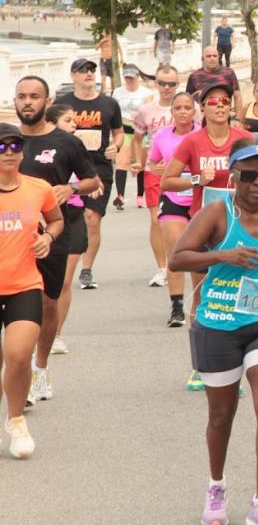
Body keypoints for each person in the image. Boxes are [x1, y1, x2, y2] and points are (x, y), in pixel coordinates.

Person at [169, 138, 258, 525]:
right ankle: (216, 486)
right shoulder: (216, 213)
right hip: (218, 325)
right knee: (220, 415)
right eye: (249, 175)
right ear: (234, 176)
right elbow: (176, 259)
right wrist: (221, 256)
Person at [161, 82, 254, 390]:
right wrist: (198, 178)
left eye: (224, 101)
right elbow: (167, 182)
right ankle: (200, 366)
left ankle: (234, 367)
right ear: (204, 107)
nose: (219, 105)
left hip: (239, 226)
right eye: (213, 101)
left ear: (230, 107)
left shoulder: (244, 139)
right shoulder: (192, 141)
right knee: (202, 296)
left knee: (237, 297)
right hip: (203, 227)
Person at [15, 78, 99, 393]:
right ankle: (18, 368)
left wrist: (70, 187)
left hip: (52, 232)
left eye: (34, 97)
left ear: (47, 101)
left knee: (48, 303)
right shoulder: (5, 138)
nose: (27, 102)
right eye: (22, 96)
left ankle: (40, 368)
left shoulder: (66, 142)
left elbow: (91, 180)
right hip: (10, 235)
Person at [0, 122, 64, 458]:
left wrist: (48, 237)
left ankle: (15, 421)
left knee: (18, 356)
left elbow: (55, 219)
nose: (9, 152)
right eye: (2, 147)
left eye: (15, 146)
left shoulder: (39, 187)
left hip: (24, 283)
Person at [56, 58, 124, 290]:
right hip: (68, 168)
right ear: (73, 75)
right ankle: (64, 262)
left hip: (99, 167)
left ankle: (86, 269)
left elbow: (119, 133)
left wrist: (117, 146)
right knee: (67, 218)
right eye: (83, 70)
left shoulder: (109, 104)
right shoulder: (63, 103)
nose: (88, 74)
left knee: (92, 219)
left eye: (92, 70)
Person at [146, 92, 199, 328]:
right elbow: (153, 162)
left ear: (194, 111)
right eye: (178, 107)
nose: (183, 111)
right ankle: (177, 306)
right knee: (176, 251)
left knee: (199, 253)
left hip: (200, 197)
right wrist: (159, 170)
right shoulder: (162, 136)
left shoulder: (202, 134)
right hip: (173, 197)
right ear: (173, 112)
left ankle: (201, 302)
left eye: (188, 107)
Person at [132, 65, 187, 289]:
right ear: (156, 83)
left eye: (171, 84)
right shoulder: (146, 110)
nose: (167, 88)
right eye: (163, 83)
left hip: (185, 171)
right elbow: (137, 138)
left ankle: (186, 260)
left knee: (186, 219)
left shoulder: (187, 106)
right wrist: (139, 161)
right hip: (155, 171)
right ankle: (162, 268)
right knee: (156, 220)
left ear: (178, 84)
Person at [112, 64, 154, 211]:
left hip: (140, 133)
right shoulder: (118, 92)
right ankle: (120, 196)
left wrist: (140, 117)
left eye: (132, 78)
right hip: (124, 131)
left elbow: (149, 112)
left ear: (137, 77)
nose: (129, 80)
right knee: (121, 162)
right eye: (127, 78)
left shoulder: (145, 93)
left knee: (140, 165)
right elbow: (113, 111)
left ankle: (140, 196)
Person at [185, 46, 243, 122]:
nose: (212, 58)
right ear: (202, 58)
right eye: (208, 56)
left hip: (223, 118)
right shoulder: (194, 76)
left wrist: (238, 119)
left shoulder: (228, 73)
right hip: (200, 120)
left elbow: (237, 96)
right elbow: (188, 100)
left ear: (218, 57)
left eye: (215, 56)